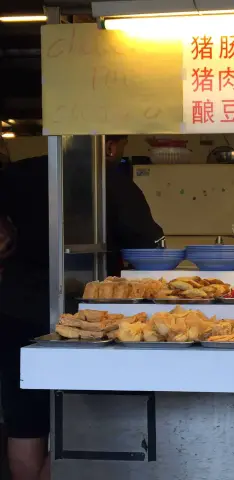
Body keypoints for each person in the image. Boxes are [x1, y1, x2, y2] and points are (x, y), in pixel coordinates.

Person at [0, 135, 163, 480]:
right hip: (87, 321)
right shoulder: (111, 181)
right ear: (109, 144)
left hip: (16, 309)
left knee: (25, 419)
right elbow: (149, 248)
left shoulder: (16, 174)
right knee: (75, 420)